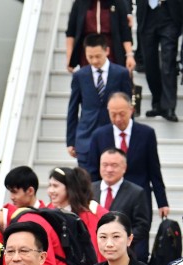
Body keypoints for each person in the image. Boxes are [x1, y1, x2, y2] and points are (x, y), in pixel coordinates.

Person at [87, 92, 171, 222]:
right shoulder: (99, 135)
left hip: (138, 200)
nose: (118, 119)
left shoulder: (146, 134)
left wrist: (162, 202)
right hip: (108, 200)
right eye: (113, 115)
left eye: (122, 114)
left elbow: (154, 170)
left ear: (131, 110)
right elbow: (92, 172)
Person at [67, 34, 132, 171]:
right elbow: (73, 109)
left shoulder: (121, 73)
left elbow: (128, 108)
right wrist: (71, 140)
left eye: (98, 56)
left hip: (113, 136)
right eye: (90, 57)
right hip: (86, 138)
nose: (94, 60)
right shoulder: (80, 76)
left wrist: (128, 134)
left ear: (106, 51)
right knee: (87, 186)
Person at [92, 148, 153, 262]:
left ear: (124, 168)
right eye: (105, 165)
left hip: (124, 256)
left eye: (114, 165)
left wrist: (119, 241)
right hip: (93, 256)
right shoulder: (89, 190)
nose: (109, 169)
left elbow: (142, 226)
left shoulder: (136, 192)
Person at [136, 0, 183, 122]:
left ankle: (169, 107)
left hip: (169, 14)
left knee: (168, 63)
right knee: (149, 63)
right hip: (147, 15)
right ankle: (157, 103)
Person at [48, 166, 107, 254]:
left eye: (55, 186)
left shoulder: (87, 217)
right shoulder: (47, 212)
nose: (50, 190)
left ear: (69, 188)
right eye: (50, 185)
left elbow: (93, 251)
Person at [66, 0, 134, 71]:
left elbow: (125, 32)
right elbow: (71, 33)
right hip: (88, 53)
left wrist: (129, 55)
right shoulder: (79, 3)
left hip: (112, 51)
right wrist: (69, 58)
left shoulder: (118, 2)